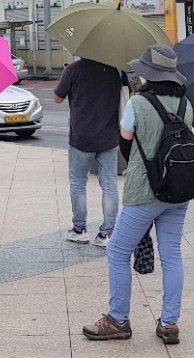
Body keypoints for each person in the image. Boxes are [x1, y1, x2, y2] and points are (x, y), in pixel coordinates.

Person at [83, 45, 192, 345]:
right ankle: (169, 323)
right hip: (178, 191)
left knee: (117, 251)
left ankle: (118, 319)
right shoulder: (186, 105)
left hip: (144, 191)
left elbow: (126, 144)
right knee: (171, 254)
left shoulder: (138, 103)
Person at [54, 58, 125, 247]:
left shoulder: (74, 69)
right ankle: (108, 233)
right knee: (109, 186)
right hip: (109, 138)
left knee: (78, 183)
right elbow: (132, 89)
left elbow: (57, 98)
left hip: (81, 137)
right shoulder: (115, 70)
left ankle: (80, 229)